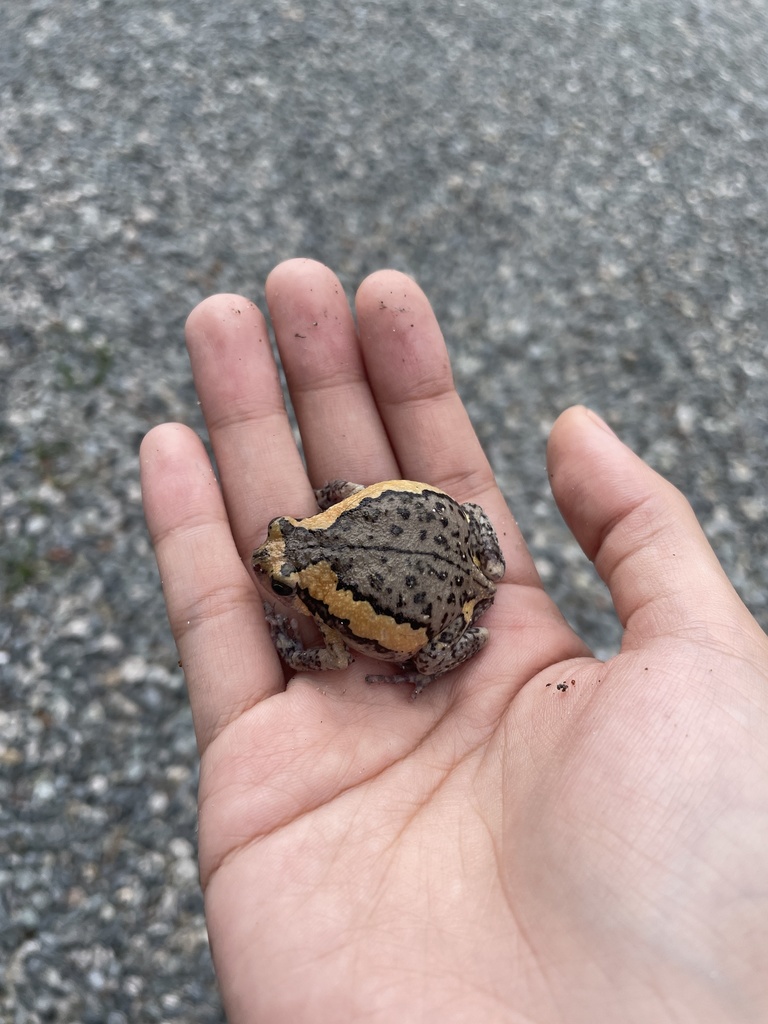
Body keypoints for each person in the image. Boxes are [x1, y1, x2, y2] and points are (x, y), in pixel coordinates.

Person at [140, 259, 768, 1023]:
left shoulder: (324, 596)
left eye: (281, 579)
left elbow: (333, 651)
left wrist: (293, 638)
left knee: (430, 642)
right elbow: (347, 499)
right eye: (281, 547)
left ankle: (424, 674)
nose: (270, 560)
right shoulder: (325, 522)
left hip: (444, 608)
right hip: (464, 542)